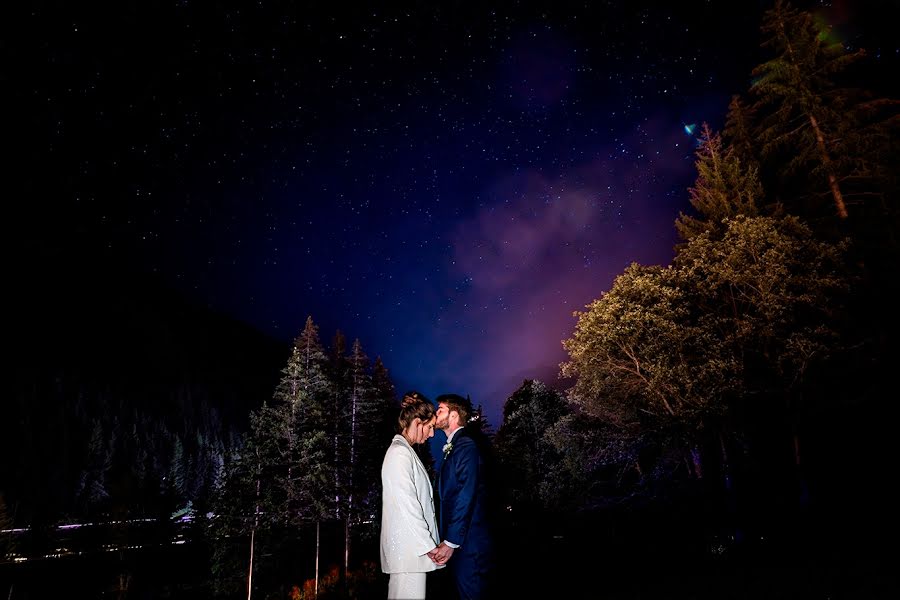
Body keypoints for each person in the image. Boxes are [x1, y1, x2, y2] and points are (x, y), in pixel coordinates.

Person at [429, 394, 495, 600]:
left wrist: (450, 542)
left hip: (469, 543)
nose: (435, 414)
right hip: (462, 542)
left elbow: (465, 494)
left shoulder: (466, 445)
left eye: (440, 410)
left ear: (454, 415)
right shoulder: (455, 446)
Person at [380, 391, 444, 600]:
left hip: (410, 554)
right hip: (408, 553)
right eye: (431, 427)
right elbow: (408, 506)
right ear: (418, 422)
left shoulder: (405, 451)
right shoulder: (399, 453)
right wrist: (429, 546)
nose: (433, 434)